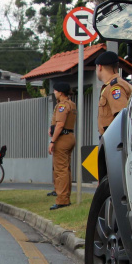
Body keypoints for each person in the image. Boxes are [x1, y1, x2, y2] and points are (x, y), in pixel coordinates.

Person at [48, 82, 76, 210]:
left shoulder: (63, 106)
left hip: (62, 138)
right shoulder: (71, 104)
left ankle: (62, 200)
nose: (54, 93)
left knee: (60, 170)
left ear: (60, 92)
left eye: (55, 91)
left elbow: (60, 124)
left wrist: (52, 141)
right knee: (66, 169)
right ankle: (66, 197)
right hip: (70, 136)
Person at [95, 50, 132, 136]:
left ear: (100, 67)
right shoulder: (119, 84)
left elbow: (121, 116)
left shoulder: (114, 87)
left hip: (114, 138)